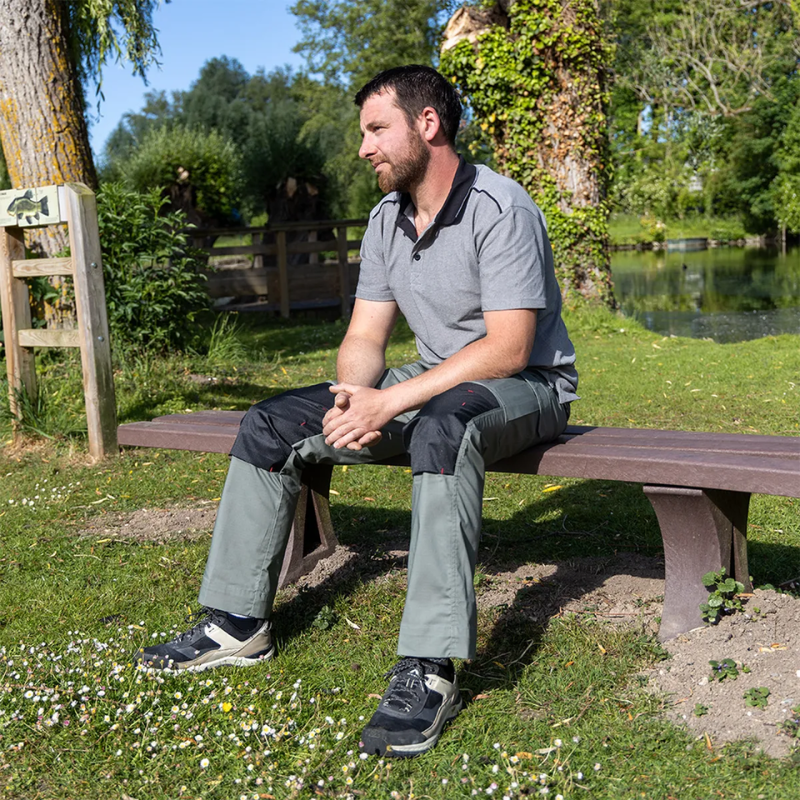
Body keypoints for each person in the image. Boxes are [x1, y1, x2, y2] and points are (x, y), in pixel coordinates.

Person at [136, 64, 579, 758]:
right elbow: (366, 336)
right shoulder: (385, 219)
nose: (363, 147)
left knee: (443, 424)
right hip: (437, 379)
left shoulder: (501, 207)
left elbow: (510, 345)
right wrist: (352, 401)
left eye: (377, 129)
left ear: (426, 125)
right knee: (274, 422)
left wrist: (396, 399)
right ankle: (236, 624)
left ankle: (428, 668)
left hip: (528, 385)